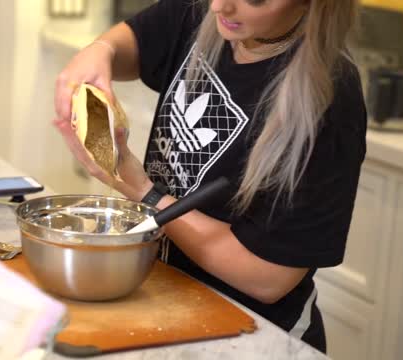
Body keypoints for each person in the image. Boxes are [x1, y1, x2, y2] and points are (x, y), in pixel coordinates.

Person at [53, 0, 366, 353]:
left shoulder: (329, 98)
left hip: (251, 335)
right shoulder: (205, 11)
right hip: (169, 301)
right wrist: (101, 51)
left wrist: (144, 192)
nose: (219, 7)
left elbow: (268, 277)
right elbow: (134, 44)